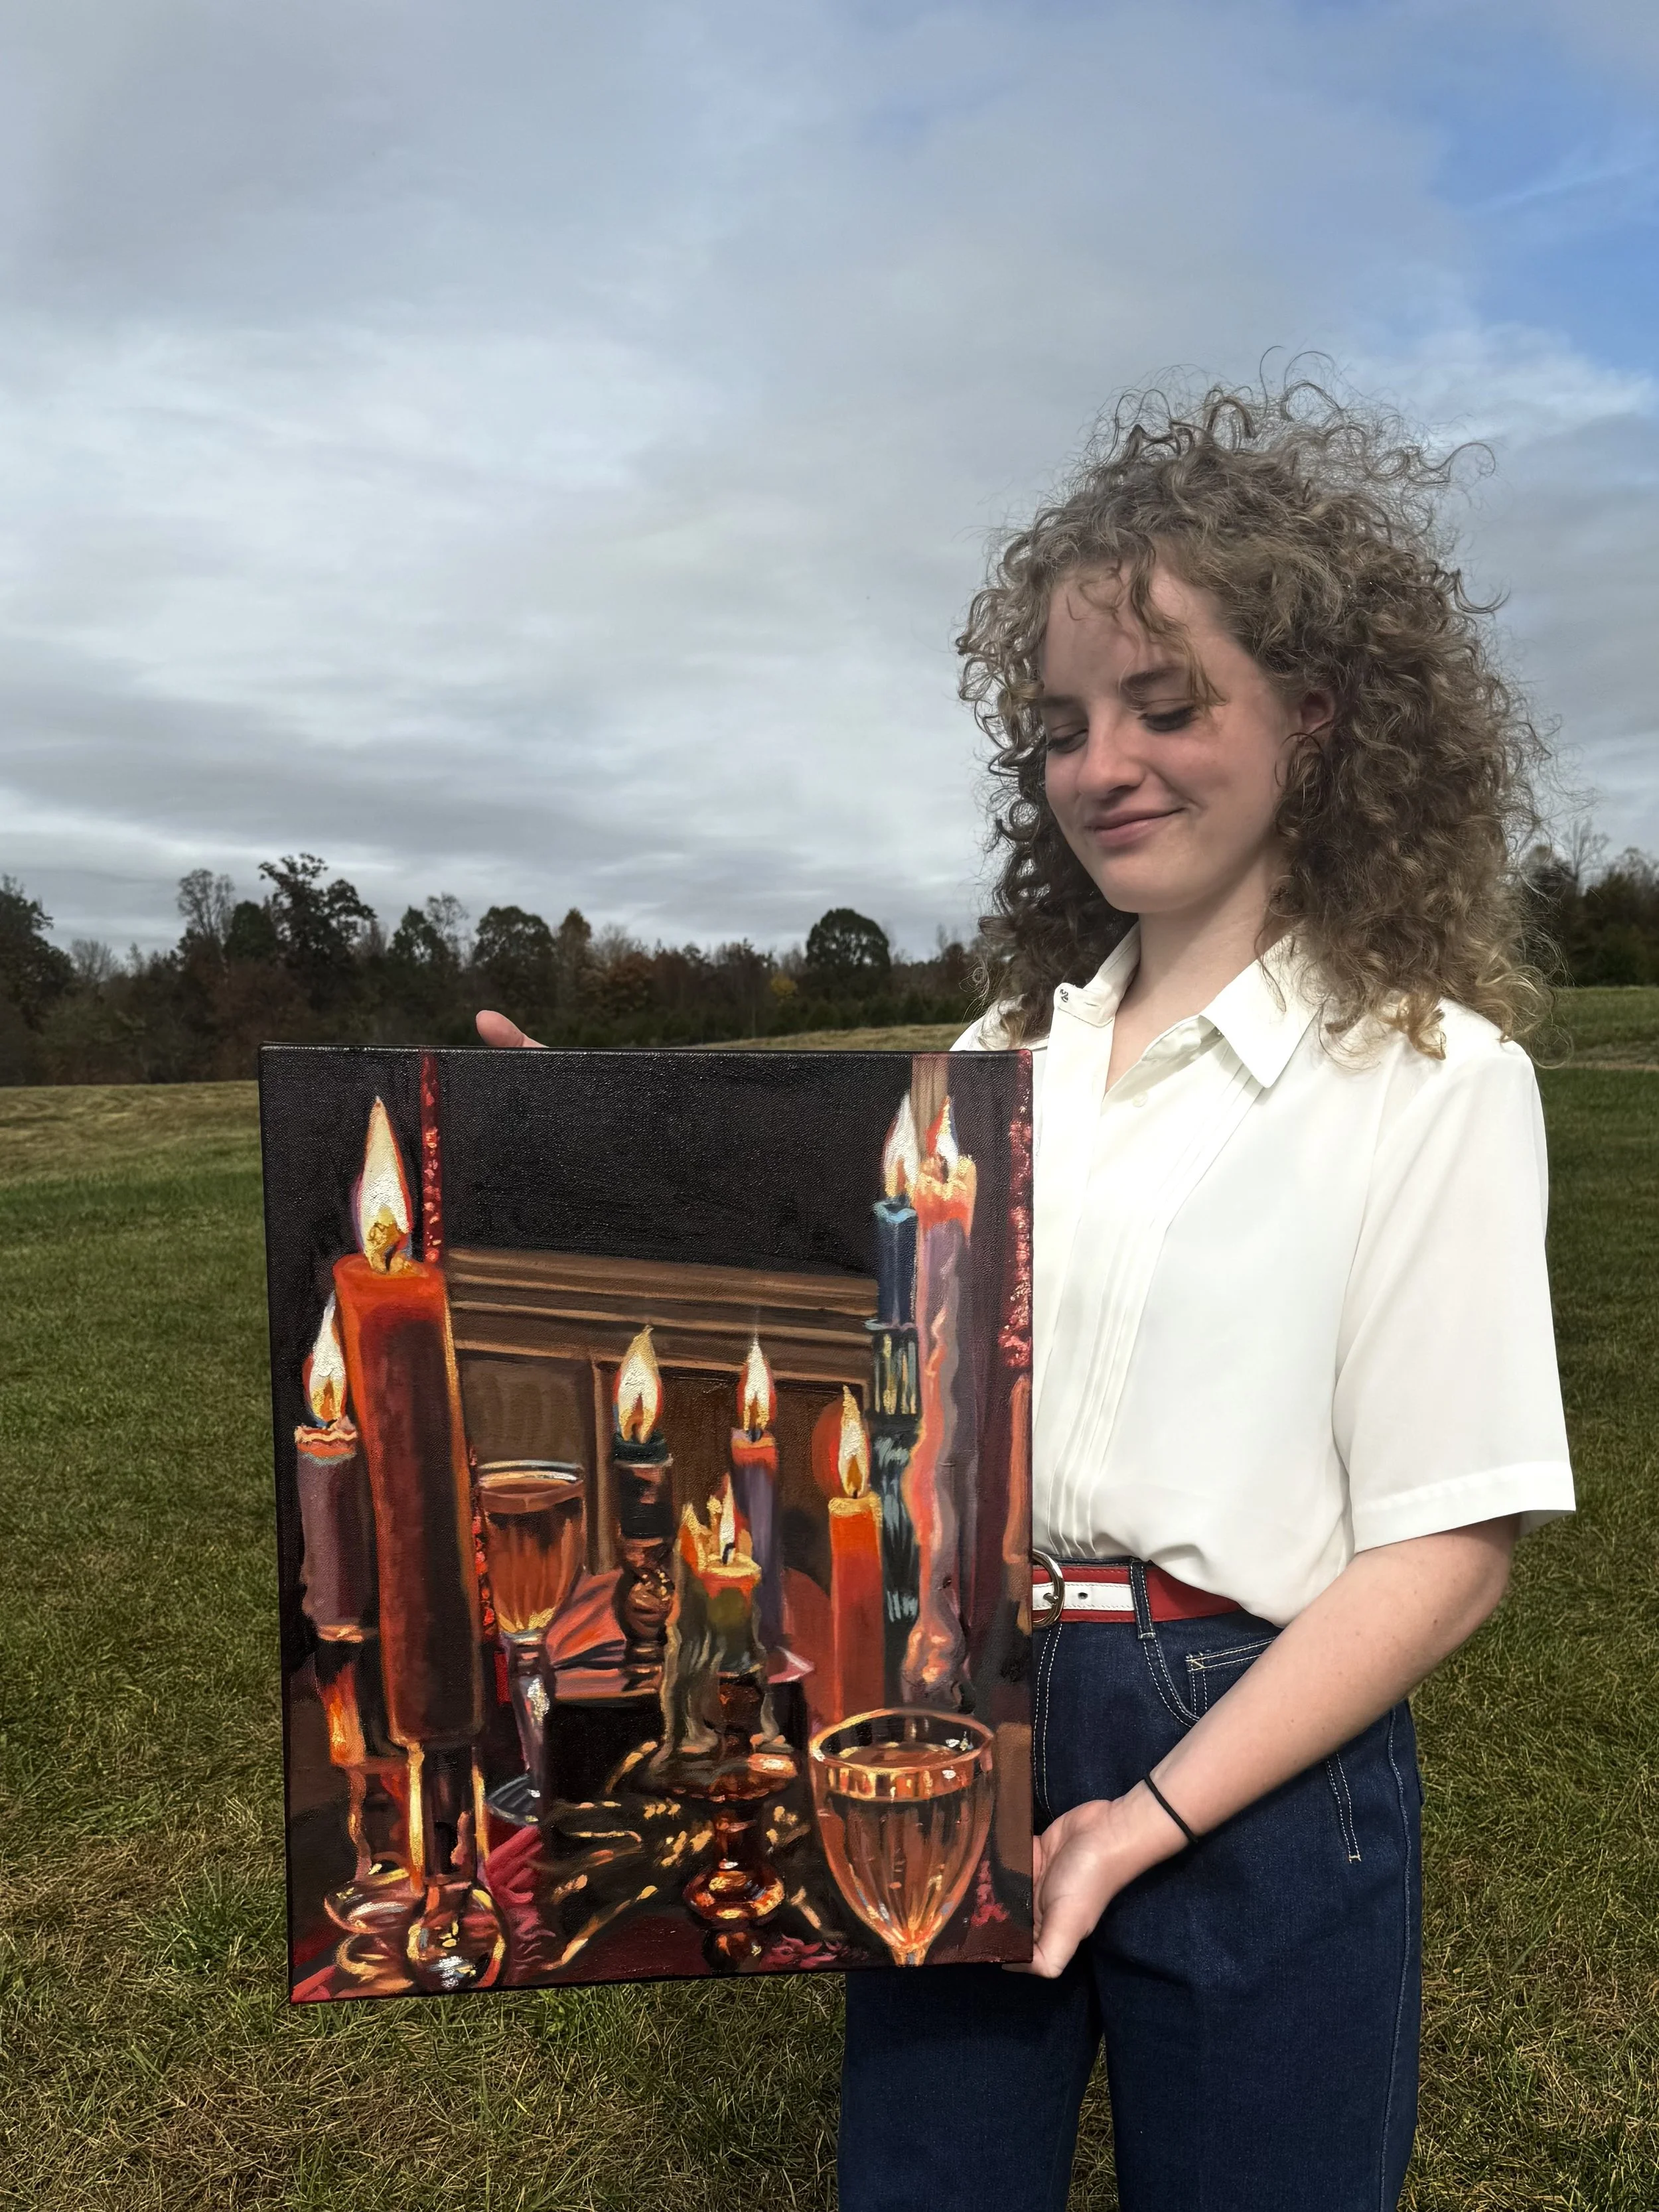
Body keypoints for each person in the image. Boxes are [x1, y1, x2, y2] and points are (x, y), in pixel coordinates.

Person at [479, 376, 1575, 2212]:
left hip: (1256, 1737)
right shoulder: (994, 1065)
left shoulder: (1427, 1073)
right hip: (951, 1712)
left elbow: (1447, 1543)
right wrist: (564, 1142)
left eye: (1166, 704)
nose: (1103, 764)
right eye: (1061, 724)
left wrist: (1146, 1811)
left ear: (1312, 721)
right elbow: (821, 1329)